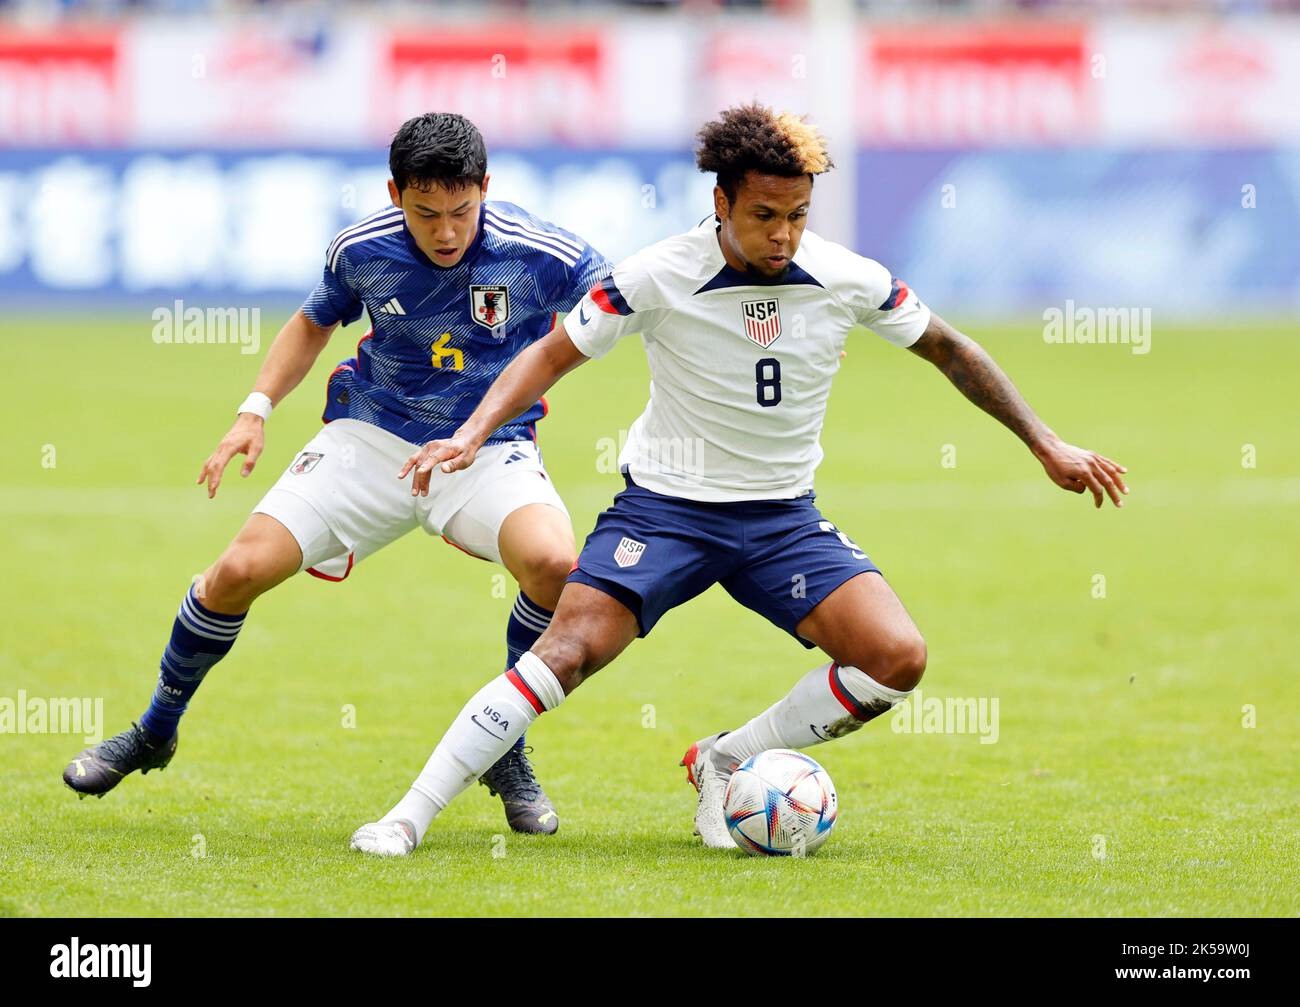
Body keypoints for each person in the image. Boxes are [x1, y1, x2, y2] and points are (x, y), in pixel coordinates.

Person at [348, 103, 1128, 857]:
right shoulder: (656, 274)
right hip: (665, 513)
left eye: (797, 214)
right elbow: (552, 353)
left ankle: (727, 758)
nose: (783, 233)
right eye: (763, 215)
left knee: (897, 658)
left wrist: (1045, 441)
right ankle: (406, 818)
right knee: (568, 651)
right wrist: (472, 433)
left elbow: (951, 349)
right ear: (721, 201)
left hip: (782, 520)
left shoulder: (847, 276)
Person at [62, 112, 612, 836]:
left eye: (460, 212)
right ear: (394, 195)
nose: (444, 232)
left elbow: (620, 299)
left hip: (486, 446)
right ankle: (154, 729)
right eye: (424, 214)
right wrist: (253, 410)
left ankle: (504, 745)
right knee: (235, 571)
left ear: (486, 187)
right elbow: (314, 322)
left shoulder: (542, 252)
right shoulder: (360, 249)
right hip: (370, 440)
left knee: (554, 564)